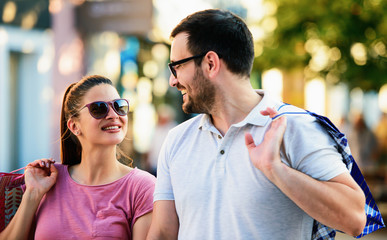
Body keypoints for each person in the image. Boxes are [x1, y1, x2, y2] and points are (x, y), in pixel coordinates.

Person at [147, 9, 366, 240]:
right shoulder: (176, 139)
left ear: (210, 63)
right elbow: (163, 233)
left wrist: (275, 169)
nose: (173, 80)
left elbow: (355, 219)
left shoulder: (295, 127)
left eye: (177, 66)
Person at [0, 75, 156, 240]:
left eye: (119, 106)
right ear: (74, 126)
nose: (113, 115)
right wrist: (32, 194)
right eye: (99, 108)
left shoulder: (142, 187)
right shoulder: (47, 181)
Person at [145, 104, 177, 176]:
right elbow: (151, 146)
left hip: (166, 166)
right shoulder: (156, 128)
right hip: (154, 164)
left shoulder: (173, 129)